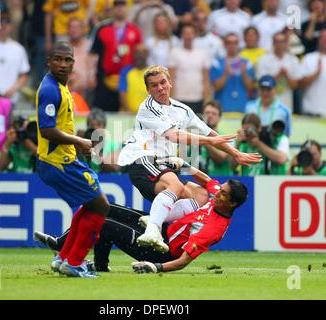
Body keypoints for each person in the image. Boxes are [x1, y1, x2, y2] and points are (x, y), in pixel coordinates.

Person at [117, 65, 261, 252]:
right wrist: (210, 140)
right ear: (148, 90)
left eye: (162, 82)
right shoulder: (148, 108)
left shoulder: (182, 110)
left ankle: (155, 219)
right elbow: (176, 136)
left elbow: (209, 132)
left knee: (202, 195)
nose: (160, 88)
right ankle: (153, 229)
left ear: (170, 82)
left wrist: (236, 153)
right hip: (142, 160)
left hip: (163, 164)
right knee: (175, 185)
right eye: (154, 85)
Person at [35, 158, 249, 273]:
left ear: (232, 203)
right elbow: (206, 179)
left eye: (223, 193)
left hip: (162, 252)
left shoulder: (214, 228)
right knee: (105, 207)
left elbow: (184, 260)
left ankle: (75, 260)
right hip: (160, 231)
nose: (217, 191)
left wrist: (155, 267)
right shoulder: (216, 195)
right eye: (220, 189)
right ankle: (65, 246)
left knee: (106, 225)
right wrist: (182, 164)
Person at [35, 42, 110, 278]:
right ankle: (74, 262)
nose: (63, 64)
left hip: (62, 159)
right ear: (49, 61)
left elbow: (60, 127)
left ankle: (64, 257)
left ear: (73, 63)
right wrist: (78, 142)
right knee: (100, 206)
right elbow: (47, 130)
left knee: (91, 204)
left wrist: (78, 146)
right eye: (58, 59)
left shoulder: (61, 87)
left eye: (68, 60)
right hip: (56, 162)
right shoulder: (50, 89)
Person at [89, 0, 142, 112]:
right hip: (104, 80)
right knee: (104, 114)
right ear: (112, 9)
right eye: (116, 5)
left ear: (127, 9)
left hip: (128, 80)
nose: (119, 8)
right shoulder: (101, 28)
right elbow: (93, 54)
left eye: (122, 5)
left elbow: (140, 54)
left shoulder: (135, 30)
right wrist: (91, 75)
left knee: (125, 113)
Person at [168, 23, 212, 114]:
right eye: (186, 33)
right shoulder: (174, 53)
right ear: (182, 35)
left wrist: (206, 100)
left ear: (195, 35)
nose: (188, 36)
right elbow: (171, 78)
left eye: (191, 33)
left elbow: (206, 79)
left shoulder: (202, 54)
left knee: (195, 127)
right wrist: (170, 99)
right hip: (180, 98)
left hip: (198, 98)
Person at [210, 33, 255, 113]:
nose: (232, 45)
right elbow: (216, 87)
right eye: (229, 42)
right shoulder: (217, 63)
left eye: (235, 42)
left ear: (238, 44)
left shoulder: (246, 63)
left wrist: (244, 74)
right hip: (222, 108)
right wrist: (225, 74)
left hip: (241, 108)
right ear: (225, 45)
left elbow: (250, 87)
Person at [256, 31, 301, 110]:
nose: (280, 44)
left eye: (282, 42)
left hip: (286, 104)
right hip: (266, 105)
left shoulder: (293, 60)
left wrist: (286, 76)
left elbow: (295, 85)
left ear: (286, 43)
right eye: (277, 42)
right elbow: (262, 84)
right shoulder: (263, 59)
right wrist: (279, 75)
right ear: (273, 43)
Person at [191, 100, 234, 176]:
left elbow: (221, 158)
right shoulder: (194, 135)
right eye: (207, 113)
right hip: (199, 180)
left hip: (220, 180)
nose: (210, 116)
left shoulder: (226, 137)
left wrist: (203, 139)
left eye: (214, 114)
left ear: (219, 117)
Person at [299, 29, 326, 117]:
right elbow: (300, 85)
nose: (324, 40)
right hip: (310, 111)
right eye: (322, 37)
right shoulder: (308, 58)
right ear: (318, 40)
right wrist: (316, 74)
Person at [119, 43, 149, 113]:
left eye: (143, 53)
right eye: (137, 52)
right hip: (129, 114)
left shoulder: (152, 72)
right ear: (133, 54)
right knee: (117, 124)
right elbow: (122, 93)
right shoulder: (125, 72)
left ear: (147, 55)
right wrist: (127, 110)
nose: (140, 55)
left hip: (148, 115)